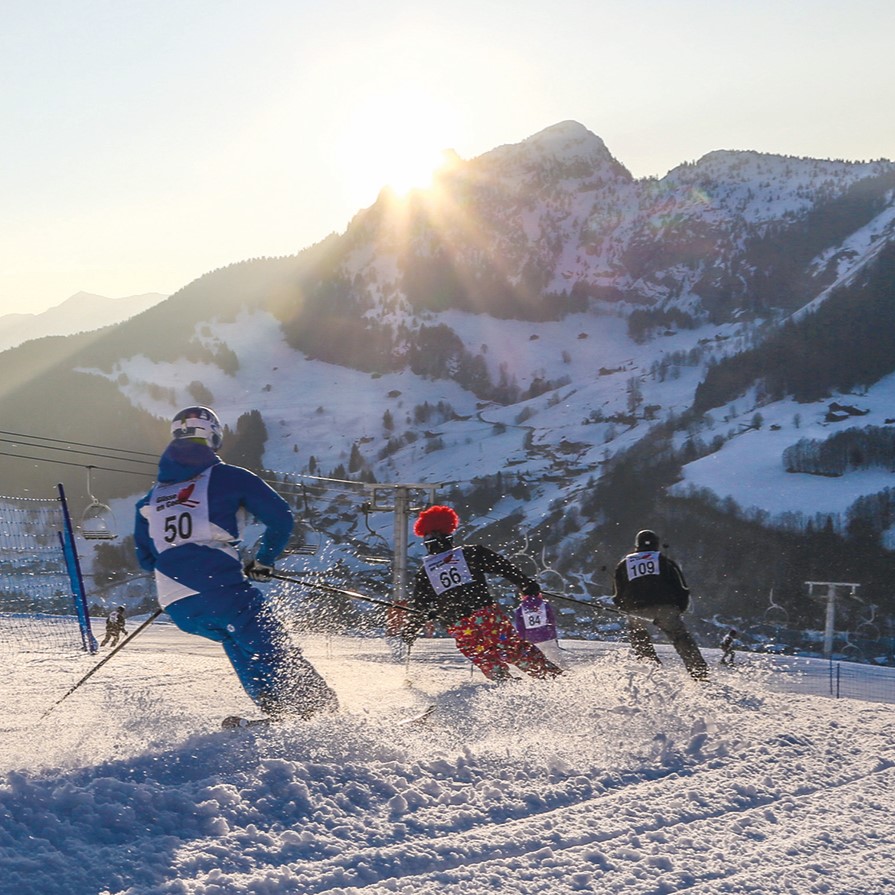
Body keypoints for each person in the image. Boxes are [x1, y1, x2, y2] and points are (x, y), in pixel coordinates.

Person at [134, 405, 338, 720]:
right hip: (218, 589)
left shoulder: (151, 497)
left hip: (174, 599)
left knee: (236, 640)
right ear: (214, 437)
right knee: (273, 647)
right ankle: (325, 713)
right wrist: (264, 560)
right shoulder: (229, 477)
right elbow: (281, 519)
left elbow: (146, 559)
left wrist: (182, 572)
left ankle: (275, 710)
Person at [403, 505, 562, 683]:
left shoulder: (426, 571)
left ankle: (506, 683)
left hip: (457, 623)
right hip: (484, 613)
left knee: (482, 655)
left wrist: (412, 628)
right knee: (511, 648)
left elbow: (421, 605)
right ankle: (551, 677)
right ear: (449, 536)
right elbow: (504, 567)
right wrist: (526, 585)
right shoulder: (471, 553)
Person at [612, 529, 708, 680]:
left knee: (638, 635)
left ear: (637, 545)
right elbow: (682, 589)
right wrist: (679, 609)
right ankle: (699, 673)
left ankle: (652, 670)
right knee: (680, 637)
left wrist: (625, 609)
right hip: (666, 607)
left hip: (636, 610)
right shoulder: (664, 561)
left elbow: (617, 594)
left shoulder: (625, 564)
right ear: (657, 544)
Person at [513, 592, 565, 668]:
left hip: (532, 639)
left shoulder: (520, 609)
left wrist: (522, 641)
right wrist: (553, 635)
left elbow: (520, 628)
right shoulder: (545, 605)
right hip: (547, 636)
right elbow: (551, 620)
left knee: (539, 662)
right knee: (557, 660)